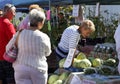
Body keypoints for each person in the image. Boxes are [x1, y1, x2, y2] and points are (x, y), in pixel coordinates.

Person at [6, 8, 51, 84]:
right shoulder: (44, 37)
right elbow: (48, 52)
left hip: (20, 68)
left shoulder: (19, 34)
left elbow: (8, 48)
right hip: (38, 69)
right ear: (40, 22)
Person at [0, 4, 16, 84]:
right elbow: (15, 41)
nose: (14, 14)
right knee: (10, 78)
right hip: (7, 57)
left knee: (2, 78)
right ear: (8, 12)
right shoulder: (8, 24)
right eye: (13, 12)